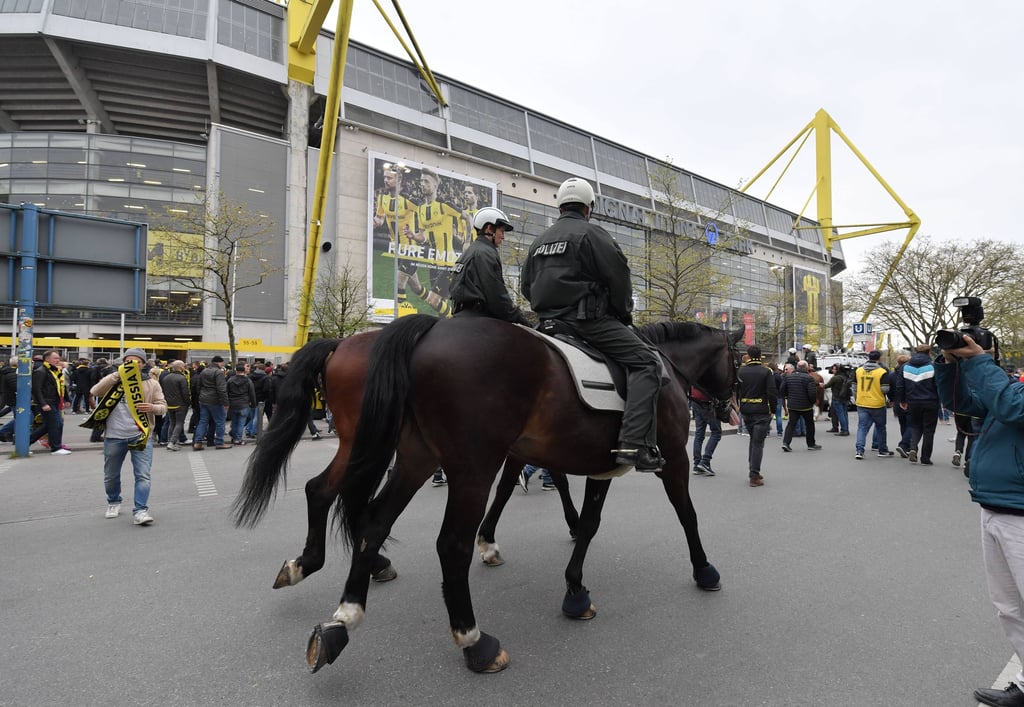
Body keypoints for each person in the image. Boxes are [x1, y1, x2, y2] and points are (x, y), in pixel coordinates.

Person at [520, 177, 663, 472]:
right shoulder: (593, 234)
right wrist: (623, 314)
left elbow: (525, 287)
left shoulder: (538, 242)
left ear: (559, 206)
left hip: (546, 325)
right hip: (586, 323)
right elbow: (619, 278)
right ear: (589, 208)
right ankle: (633, 444)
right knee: (647, 363)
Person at [934, 335, 1024, 707]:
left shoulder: (1012, 391)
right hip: (995, 505)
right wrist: (950, 365)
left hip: (1019, 511)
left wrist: (981, 360)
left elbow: (1012, 408)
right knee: (1010, 607)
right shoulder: (1013, 384)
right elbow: (965, 406)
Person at [86, 348, 167, 525]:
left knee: (143, 475)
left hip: (141, 435)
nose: (132, 364)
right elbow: (95, 390)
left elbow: (163, 406)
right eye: (128, 361)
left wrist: (152, 408)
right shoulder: (115, 380)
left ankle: (141, 510)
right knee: (111, 474)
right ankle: (114, 501)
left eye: (136, 361)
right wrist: (117, 375)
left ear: (143, 364)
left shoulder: (151, 383)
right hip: (115, 435)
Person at [449, 207, 530, 325]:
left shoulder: (469, 251)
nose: (503, 237)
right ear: (489, 228)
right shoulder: (486, 253)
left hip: (460, 315)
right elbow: (497, 297)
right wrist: (520, 319)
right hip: (479, 319)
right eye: (501, 231)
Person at [891, 344, 940, 465]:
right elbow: (939, 385)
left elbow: (900, 385)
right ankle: (925, 458)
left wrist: (902, 400)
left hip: (912, 402)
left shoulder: (905, 367)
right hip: (930, 402)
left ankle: (913, 448)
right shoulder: (933, 367)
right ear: (929, 353)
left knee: (916, 426)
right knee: (929, 430)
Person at [737, 345, 777, 487]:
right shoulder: (766, 371)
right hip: (761, 411)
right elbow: (772, 392)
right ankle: (754, 475)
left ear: (748, 355)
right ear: (760, 356)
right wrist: (773, 409)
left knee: (753, 440)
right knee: (758, 443)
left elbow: (737, 391)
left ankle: (752, 469)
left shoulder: (741, 371)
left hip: (746, 410)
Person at [854, 351, 895, 460]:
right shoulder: (882, 372)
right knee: (880, 427)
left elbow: (854, 386)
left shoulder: (858, 370)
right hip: (877, 403)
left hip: (862, 402)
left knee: (862, 427)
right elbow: (885, 389)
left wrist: (857, 396)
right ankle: (882, 450)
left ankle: (859, 450)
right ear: (879, 358)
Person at [30, 350, 70, 454]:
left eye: (58, 358)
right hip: (48, 402)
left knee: (51, 424)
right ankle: (56, 447)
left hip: (55, 401)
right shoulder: (41, 371)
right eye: (55, 358)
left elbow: (61, 386)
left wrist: (66, 399)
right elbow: (37, 389)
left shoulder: (54, 371)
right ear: (47, 359)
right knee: (55, 423)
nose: (58, 360)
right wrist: (43, 403)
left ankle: (26, 442)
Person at [779, 360, 821, 452]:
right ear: (806, 368)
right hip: (806, 406)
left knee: (791, 424)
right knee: (809, 425)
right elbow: (812, 393)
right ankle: (811, 444)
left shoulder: (788, 377)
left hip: (793, 405)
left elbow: (782, 390)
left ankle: (786, 443)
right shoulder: (809, 378)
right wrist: (812, 402)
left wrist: (788, 396)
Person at [192, 355, 231, 450]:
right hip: (215, 400)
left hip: (203, 399)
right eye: (222, 363)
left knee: (203, 421)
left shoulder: (204, 371)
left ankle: (198, 442)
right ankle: (219, 442)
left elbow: (199, 385)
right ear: (219, 362)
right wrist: (226, 402)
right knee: (220, 421)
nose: (223, 365)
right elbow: (222, 389)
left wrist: (201, 395)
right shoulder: (219, 372)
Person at [690, 385, 722, 476]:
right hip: (707, 403)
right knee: (716, 432)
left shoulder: (696, 372)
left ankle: (697, 463)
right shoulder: (709, 373)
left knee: (699, 434)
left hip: (696, 401)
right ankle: (705, 461)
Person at [159, 360, 190, 451]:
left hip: (169, 404)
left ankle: (170, 441)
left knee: (172, 423)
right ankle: (172, 442)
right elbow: (185, 393)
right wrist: (188, 402)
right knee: (179, 423)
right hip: (180, 404)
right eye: (184, 366)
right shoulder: (181, 378)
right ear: (180, 367)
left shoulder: (166, 378)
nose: (185, 367)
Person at [226, 362, 256, 445]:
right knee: (241, 422)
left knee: (235, 422)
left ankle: (234, 435)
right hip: (244, 404)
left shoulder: (230, 380)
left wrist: (227, 403)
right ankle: (237, 439)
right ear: (243, 370)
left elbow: (226, 392)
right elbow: (252, 393)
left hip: (233, 404)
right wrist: (253, 404)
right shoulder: (248, 380)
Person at [824, 364, 852, 436]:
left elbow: (827, 386)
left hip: (837, 398)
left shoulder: (835, 378)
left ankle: (844, 430)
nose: (832, 370)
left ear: (837, 370)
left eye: (834, 369)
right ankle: (845, 429)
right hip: (845, 397)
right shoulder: (846, 377)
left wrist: (820, 385)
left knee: (840, 414)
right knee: (844, 414)